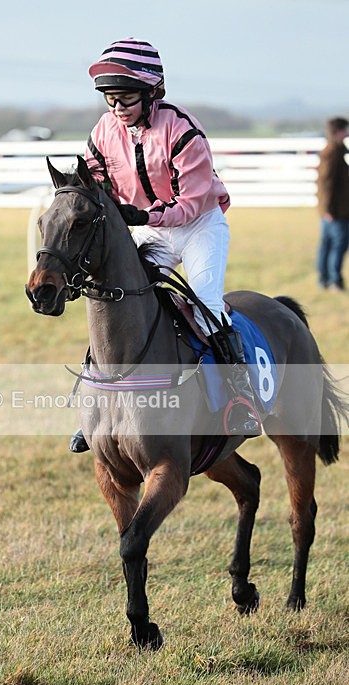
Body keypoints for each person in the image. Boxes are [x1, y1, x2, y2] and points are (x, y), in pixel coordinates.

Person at [69, 37, 261, 452]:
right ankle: (96, 409)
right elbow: (95, 173)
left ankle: (239, 399)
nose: (118, 108)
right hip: (153, 228)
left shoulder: (182, 129)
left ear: (152, 92)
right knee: (116, 297)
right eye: (110, 99)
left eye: (127, 98)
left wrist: (142, 216)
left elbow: (191, 202)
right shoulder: (104, 131)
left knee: (206, 303)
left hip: (199, 226)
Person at [316, 116, 349, 291]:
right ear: (338, 131)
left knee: (327, 245)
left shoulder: (334, 151)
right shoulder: (334, 153)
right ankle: (334, 280)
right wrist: (328, 209)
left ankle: (325, 279)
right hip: (336, 212)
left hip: (331, 210)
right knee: (337, 245)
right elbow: (327, 183)